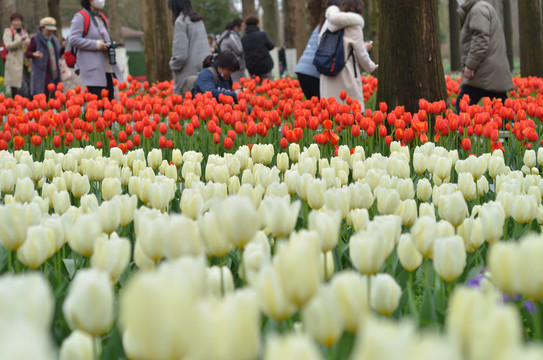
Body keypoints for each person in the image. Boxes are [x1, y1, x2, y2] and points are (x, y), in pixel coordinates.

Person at [455, 0, 513, 113]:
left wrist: (471, 65)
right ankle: (515, 129)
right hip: (490, 71)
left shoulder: (478, 10)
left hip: (483, 71)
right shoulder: (479, 8)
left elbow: (480, 39)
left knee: (462, 105)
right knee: (501, 112)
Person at [319, 0, 377, 110]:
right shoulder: (355, 26)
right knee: (351, 115)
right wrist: (371, 67)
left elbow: (321, 44)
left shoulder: (329, 22)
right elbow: (361, 54)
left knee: (332, 116)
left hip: (328, 73)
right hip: (347, 76)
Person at [69, 0, 123, 101]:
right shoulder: (81, 17)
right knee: (95, 107)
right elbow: (73, 39)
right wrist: (96, 45)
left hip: (106, 68)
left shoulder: (101, 17)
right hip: (92, 70)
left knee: (109, 106)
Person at [168, 0, 211, 95]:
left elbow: (180, 55)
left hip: (188, 74)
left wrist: (173, 64)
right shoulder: (198, 19)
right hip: (205, 68)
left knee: (186, 105)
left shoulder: (181, 22)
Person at [25, 17, 61, 97]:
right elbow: (27, 53)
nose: (50, 32)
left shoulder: (54, 39)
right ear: (42, 28)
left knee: (54, 98)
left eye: (52, 30)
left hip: (54, 73)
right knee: (42, 98)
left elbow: (58, 54)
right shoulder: (35, 39)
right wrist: (34, 54)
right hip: (41, 75)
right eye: (48, 30)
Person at [3, 13, 30, 98]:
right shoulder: (8, 31)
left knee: (26, 90)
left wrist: (28, 43)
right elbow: (8, 45)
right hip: (13, 65)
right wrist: (20, 40)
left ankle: (26, 109)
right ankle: (16, 109)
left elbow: (28, 45)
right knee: (16, 91)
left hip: (24, 64)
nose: (16, 23)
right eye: (14, 21)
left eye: (18, 21)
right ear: (11, 22)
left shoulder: (23, 32)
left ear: (21, 22)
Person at [241, 15, 275, 81]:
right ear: (257, 24)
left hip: (252, 68)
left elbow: (243, 51)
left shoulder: (243, 39)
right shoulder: (262, 35)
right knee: (268, 87)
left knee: (255, 88)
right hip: (265, 66)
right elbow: (271, 46)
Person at [216, 18, 246, 84]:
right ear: (236, 27)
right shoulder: (232, 35)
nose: (243, 28)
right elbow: (240, 50)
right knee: (238, 85)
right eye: (242, 26)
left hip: (227, 64)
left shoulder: (224, 34)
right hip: (234, 64)